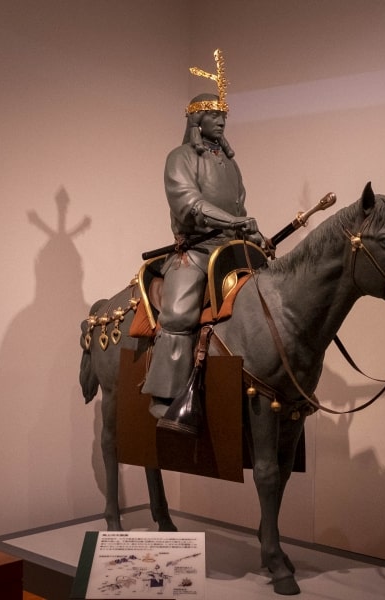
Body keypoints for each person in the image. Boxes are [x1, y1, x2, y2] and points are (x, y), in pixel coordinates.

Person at [142, 51, 264, 432]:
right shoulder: (179, 158)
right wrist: (235, 221)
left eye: (224, 114)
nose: (222, 120)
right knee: (179, 313)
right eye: (214, 114)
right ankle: (166, 398)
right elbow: (190, 204)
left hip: (232, 248)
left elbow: (240, 206)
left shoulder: (231, 165)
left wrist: (253, 233)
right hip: (196, 251)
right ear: (197, 119)